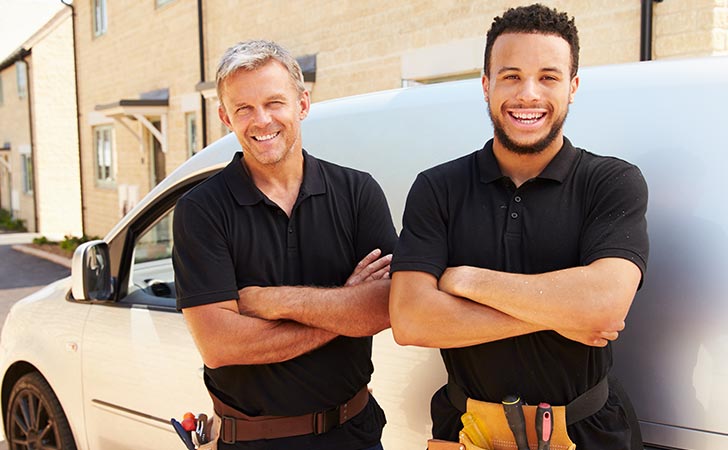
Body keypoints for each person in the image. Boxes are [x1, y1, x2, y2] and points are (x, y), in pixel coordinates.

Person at [389, 4, 648, 450]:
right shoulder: (438, 188)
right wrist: (561, 315)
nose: (528, 94)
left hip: (588, 432)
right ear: (486, 86)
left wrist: (466, 280)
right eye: (510, 76)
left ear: (573, 87)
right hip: (467, 431)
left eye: (548, 77)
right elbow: (411, 320)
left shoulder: (611, 182)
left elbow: (603, 307)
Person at [173, 40, 397, 450]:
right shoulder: (201, 211)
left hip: (354, 434)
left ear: (303, 104)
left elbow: (385, 307)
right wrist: (346, 305)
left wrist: (272, 301)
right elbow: (221, 345)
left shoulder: (357, 192)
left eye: (275, 102)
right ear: (225, 116)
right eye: (243, 108)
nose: (261, 120)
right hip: (253, 441)